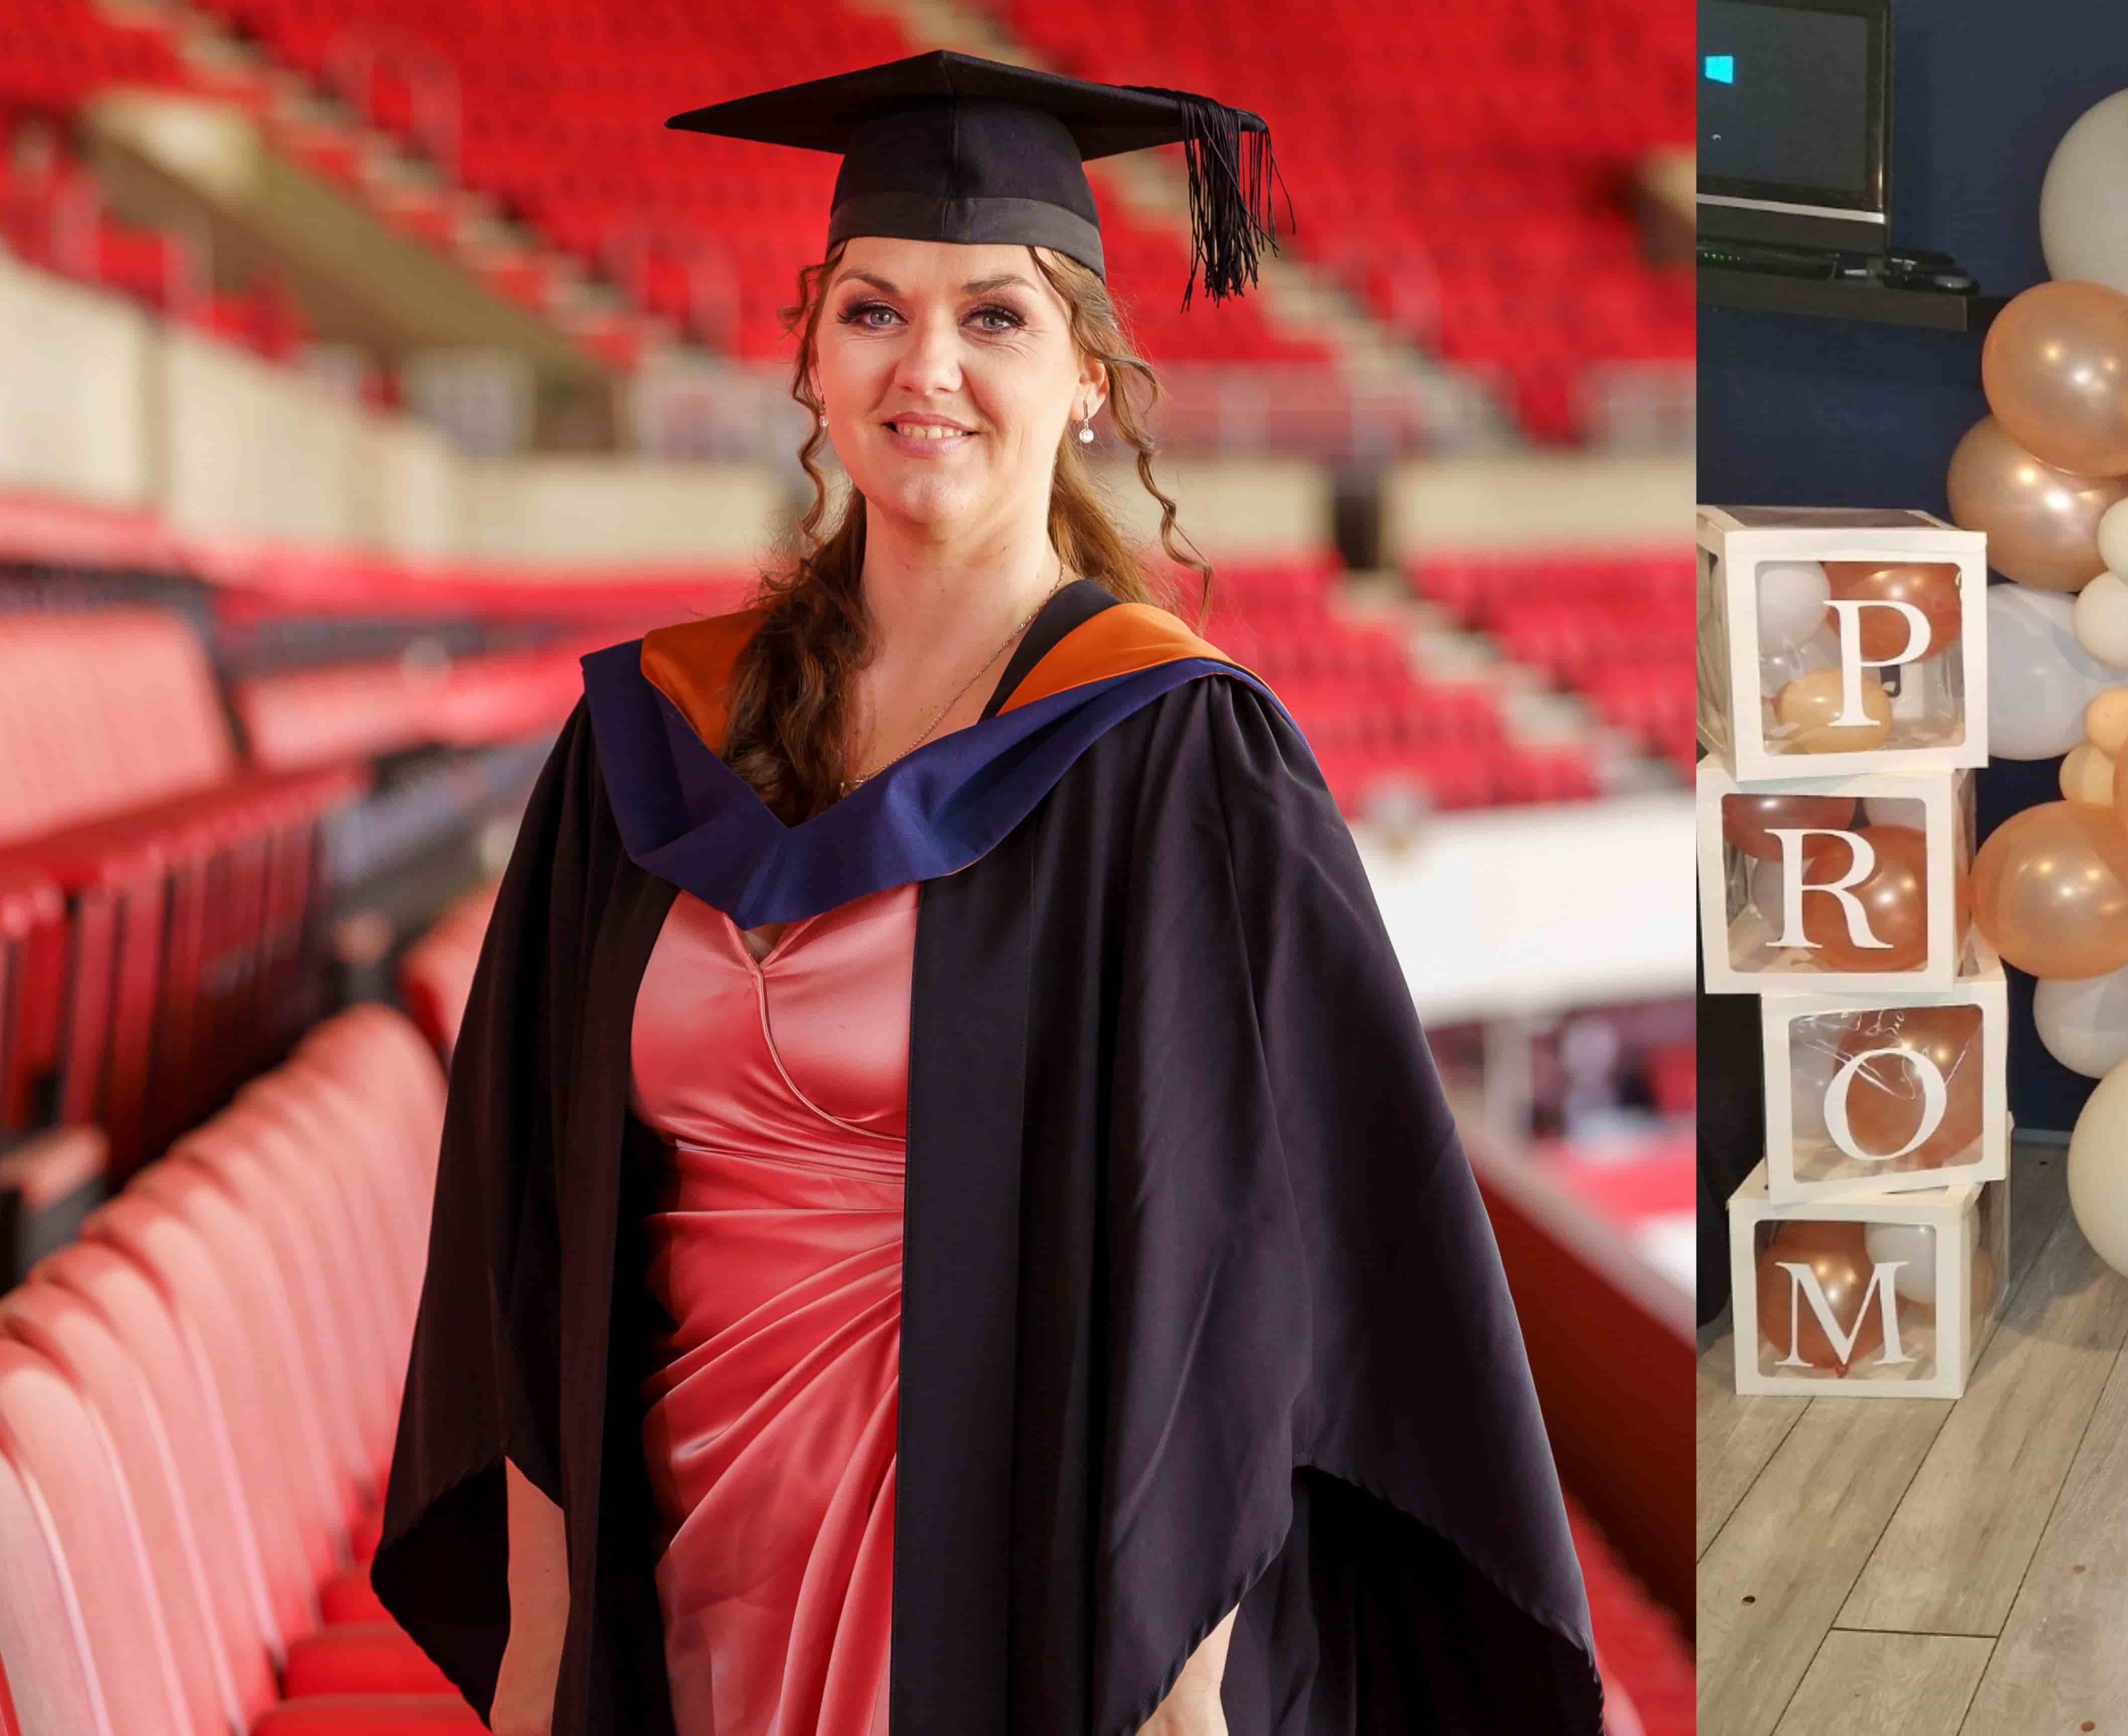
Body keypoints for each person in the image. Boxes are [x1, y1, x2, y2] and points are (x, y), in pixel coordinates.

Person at [368, 50, 1605, 1735]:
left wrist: (1181, 1697)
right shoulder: (643, 748)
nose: (926, 367)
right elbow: (527, 1223)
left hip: (1002, 1597)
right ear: (809, 354)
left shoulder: (1173, 765)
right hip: (674, 1589)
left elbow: (1251, 1273)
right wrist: (539, 1649)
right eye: (873, 313)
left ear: (1089, 376)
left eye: (996, 319)